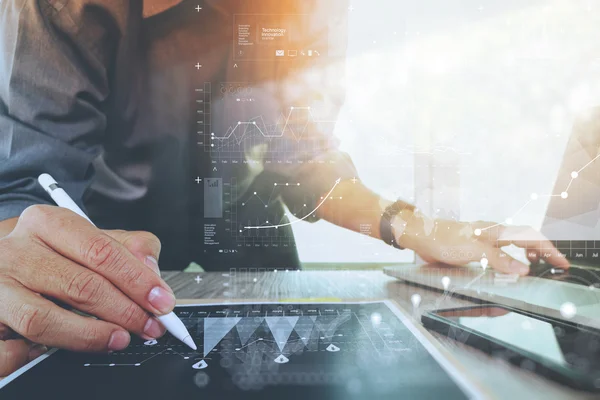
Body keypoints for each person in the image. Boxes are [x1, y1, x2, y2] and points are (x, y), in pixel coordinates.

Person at [0, 0, 569, 377]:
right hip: (109, 246)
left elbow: (305, 160)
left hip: (251, 234)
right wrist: (16, 256)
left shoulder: (307, 8)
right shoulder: (61, 9)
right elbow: (30, 176)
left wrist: (410, 223)